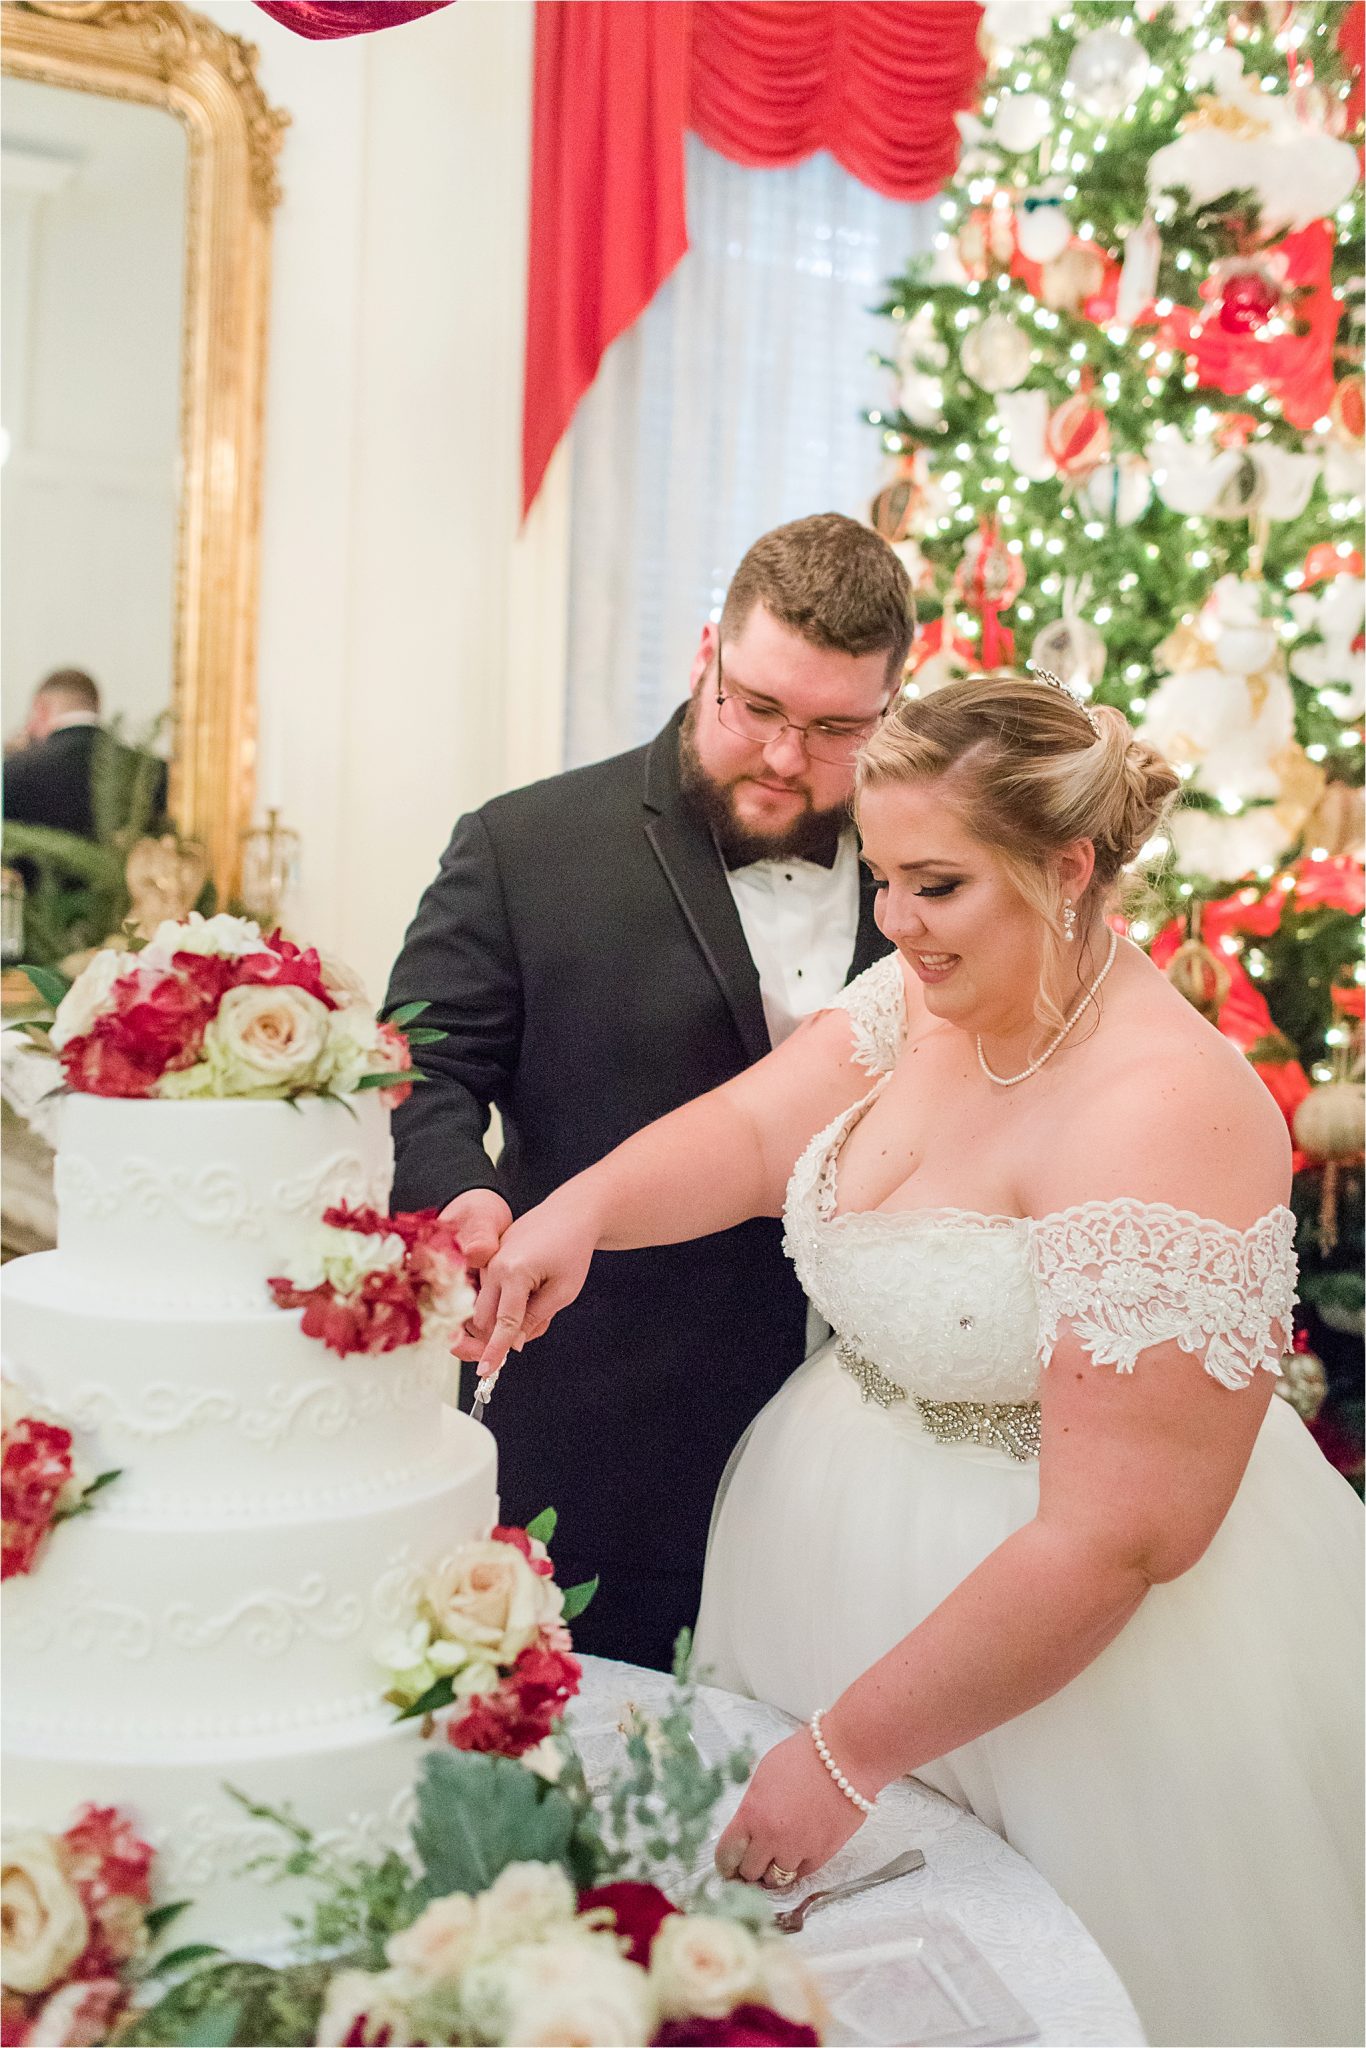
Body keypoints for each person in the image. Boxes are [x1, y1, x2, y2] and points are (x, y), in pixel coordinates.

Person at [461, 672, 1364, 2048]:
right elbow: (761, 1139)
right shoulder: (936, 993)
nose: (891, 923)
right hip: (828, 1543)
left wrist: (847, 1750)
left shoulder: (1166, 1114)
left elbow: (1123, 1538)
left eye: (932, 885)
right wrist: (579, 1215)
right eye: (880, 879)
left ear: (1065, 868)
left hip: (1074, 1656)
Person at [385, 513, 913, 1668]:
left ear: (890, 710)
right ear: (705, 655)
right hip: (609, 1432)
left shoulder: (936, 869)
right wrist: (459, 1193)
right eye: (757, 707)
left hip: (889, 1456)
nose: (783, 757)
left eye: (833, 730)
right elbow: (421, 1065)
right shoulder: (527, 845)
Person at [3, 669, 167, 839]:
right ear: (96, 706)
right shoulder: (154, 773)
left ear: (41, 709)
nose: (28, 728)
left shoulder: (12, 773)